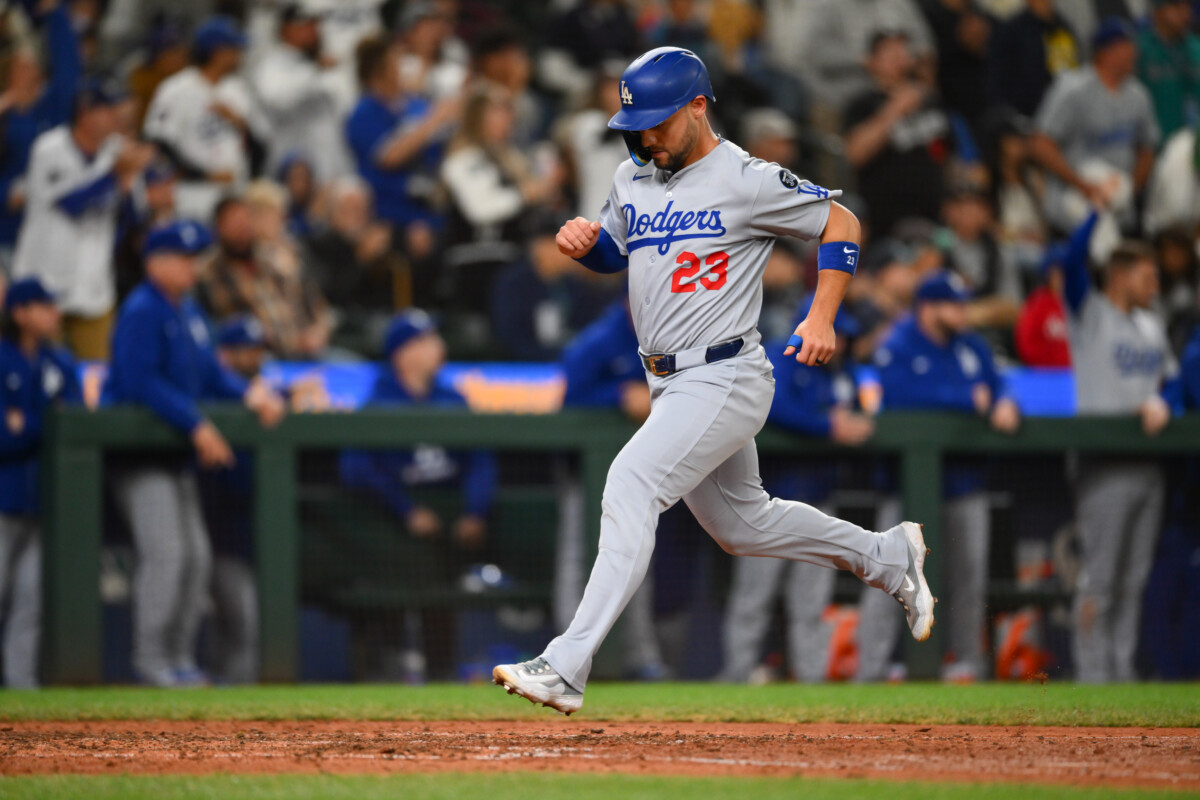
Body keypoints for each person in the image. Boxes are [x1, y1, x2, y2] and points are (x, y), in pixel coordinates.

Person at [491, 46, 933, 715]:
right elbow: (619, 250)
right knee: (744, 525)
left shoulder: (745, 178)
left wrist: (821, 315)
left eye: (658, 123)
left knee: (630, 483)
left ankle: (565, 664)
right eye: (636, 126)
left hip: (725, 371)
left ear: (698, 107)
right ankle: (887, 555)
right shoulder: (632, 176)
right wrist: (589, 246)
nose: (645, 137)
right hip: (668, 381)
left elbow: (840, 223)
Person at [103, 220, 285, 686]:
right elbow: (140, 381)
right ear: (155, 262)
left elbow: (210, 374)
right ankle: (152, 662)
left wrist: (249, 393)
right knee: (166, 555)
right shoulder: (142, 309)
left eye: (194, 258)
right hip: (139, 453)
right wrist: (196, 423)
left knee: (196, 559)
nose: (193, 267)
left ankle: (179, 660)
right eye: (184, 258)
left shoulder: (189, 310)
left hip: (175, 455)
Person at [857, 271, 1020, 682]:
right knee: (888, 576)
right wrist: (967, 400)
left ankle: (967, 665)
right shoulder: (898, 342)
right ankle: (870, 671)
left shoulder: (970, 344)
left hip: (965, 482)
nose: (962, 312)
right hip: (908, 486)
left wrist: (1003, 401)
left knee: (968, 580)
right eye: (953, 304)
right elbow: (899, 396)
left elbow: (998, 386)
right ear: (928, 307)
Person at [721, 295, 873, 684]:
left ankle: (811, 682)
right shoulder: (779, 356)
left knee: (811, 600)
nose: (839, 343)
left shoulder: (843, 370)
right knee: (754, 597)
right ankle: (737, 677)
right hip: (768, 502)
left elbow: (863, 410)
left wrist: (850, 420)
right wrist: (826, 426)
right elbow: (773, 405)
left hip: (820, 500)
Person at [1063, 236, 1178, 683]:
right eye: (1146, 276)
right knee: (1102, 578)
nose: (1155, 285)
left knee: (1134, 580)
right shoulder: (1090, 313)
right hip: (1103, 465)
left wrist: (1166, 401)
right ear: (1118, 275)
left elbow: (1174, 382)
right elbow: (1069, 259)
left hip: (1148, 463)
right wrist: (1095, 210)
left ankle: (1121, 673)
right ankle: (1093, 676)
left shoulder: (1152, 324)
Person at [555, 298, 671, 681]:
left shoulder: (669, 335)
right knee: (578, 563)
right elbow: (569, 402)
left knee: (637, 561)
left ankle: (640, 657)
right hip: (587, 476)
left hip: (640, 475)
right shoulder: (599, 340)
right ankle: (570, 658)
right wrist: (619, 395)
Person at [12, 80, 154, 360]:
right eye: (108, 109)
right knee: (40, 369)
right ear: (85, 113)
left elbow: (135, 218)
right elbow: (71, 205)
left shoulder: (119, 150)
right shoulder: (49, 147)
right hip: (42, 283)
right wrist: (115, 175)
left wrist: (126, 187)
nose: (116, 116)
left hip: (93, 286)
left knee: (96, 373)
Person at [339, 310, 496, 547]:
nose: (438, 345)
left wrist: (475, 512)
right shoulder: (377, 405)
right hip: (391, 527)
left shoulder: (453, 399)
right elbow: (356, 470)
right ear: (402, 353)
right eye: (425, 340)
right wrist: (406, 509)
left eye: (435, 337)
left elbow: (480, 459)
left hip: (454, 515)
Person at [0, 277, 82, 688]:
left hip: (46, 498)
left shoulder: (60, 362)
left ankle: (21, 684)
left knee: (32, 597)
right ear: (19, 312)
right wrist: (46, 423)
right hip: (5, 496)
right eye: (44, 305)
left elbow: (76, 426)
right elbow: (4, 436)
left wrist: (27, 423)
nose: (55, 313)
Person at [345, 32, 460, 304]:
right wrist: (434, 120)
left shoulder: (419, 105)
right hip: (388, 215)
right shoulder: (363, 113)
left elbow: (445, 152)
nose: (403, 66)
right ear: (379, 70)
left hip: (432, 209)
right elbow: (389, 157)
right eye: (396, 61)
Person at [440, 84, 563, 315]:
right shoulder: (463, 159)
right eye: (497, 112)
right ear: (477, 117)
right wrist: (525, 194)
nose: (507, 118)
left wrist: (547, 190)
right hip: (477, 264)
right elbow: (481, 210)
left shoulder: (512, 158)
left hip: (512, 259)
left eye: (508, 111)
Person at [1031, 18, 1159, 235]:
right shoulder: (1072, 90)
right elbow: (1040, 144)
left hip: (1118, 213)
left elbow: (1148, 148)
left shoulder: (1138, 94)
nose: (1134, 51)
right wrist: (1081, 185)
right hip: (1072, 210)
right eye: (1126, 45)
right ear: (1106, 51)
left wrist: (1129, 189)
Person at [142, 16, 255, 220]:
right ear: (217, 52)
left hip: (232, 194)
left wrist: (239, 122)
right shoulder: (175, 89)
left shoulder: (237, 89)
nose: (239, 54)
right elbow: (158, 143)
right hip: (190, 195)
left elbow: (256, 145)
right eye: (234, 49)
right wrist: (204, 175)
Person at [0, 0, 83, 272]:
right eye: (21, 67)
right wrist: (5, 192)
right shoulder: (5, 116)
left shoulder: (50, 109)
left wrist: (54, 14)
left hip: (46, 232)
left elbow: (68, 71)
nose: (29, 70)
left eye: (32, 66)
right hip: (6, 232)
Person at [844, 31, 951, 239]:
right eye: (889, 51)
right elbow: (855, 154)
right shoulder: (862, 104)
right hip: (886, 222)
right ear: (870, 61)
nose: (898, 56)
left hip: (935, 216)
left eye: (902, 49)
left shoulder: (929, 100)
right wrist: (895, 109)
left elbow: (942, 150)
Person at [197, 195, 331, 360]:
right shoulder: (209, 272)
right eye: (233, 223)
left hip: (311, 351)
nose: (241, 229)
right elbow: (226, 327)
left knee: (351, 364)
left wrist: (319, 332)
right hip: (260, 358)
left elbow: (317, 303)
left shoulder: (278, 259)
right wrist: (288, 343)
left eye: (245, 220)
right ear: (218, 228)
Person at [250, 3, 350, 181]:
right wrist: (314, 73)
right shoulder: (271, 65)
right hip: (292, 171)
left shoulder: (320, 63)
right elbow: (277, 99)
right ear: (285, 30)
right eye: (305, 26)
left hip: (331, 167)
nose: (314, 31)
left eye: (314, 25)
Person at [987, 0, 1081, 118]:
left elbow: (1076, 65)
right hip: (1032, 114)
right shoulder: (1012, 31)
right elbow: (998, 79)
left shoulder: (1063, 26)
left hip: (1069, 109)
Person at [1135, 0, 1200, 142]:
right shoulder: (1138, 50)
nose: (1185, 13)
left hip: (1194, 144)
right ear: (1157, 11)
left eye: (1187, 7)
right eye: (1176, 7)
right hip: (1155, 143)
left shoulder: (1196, 48)